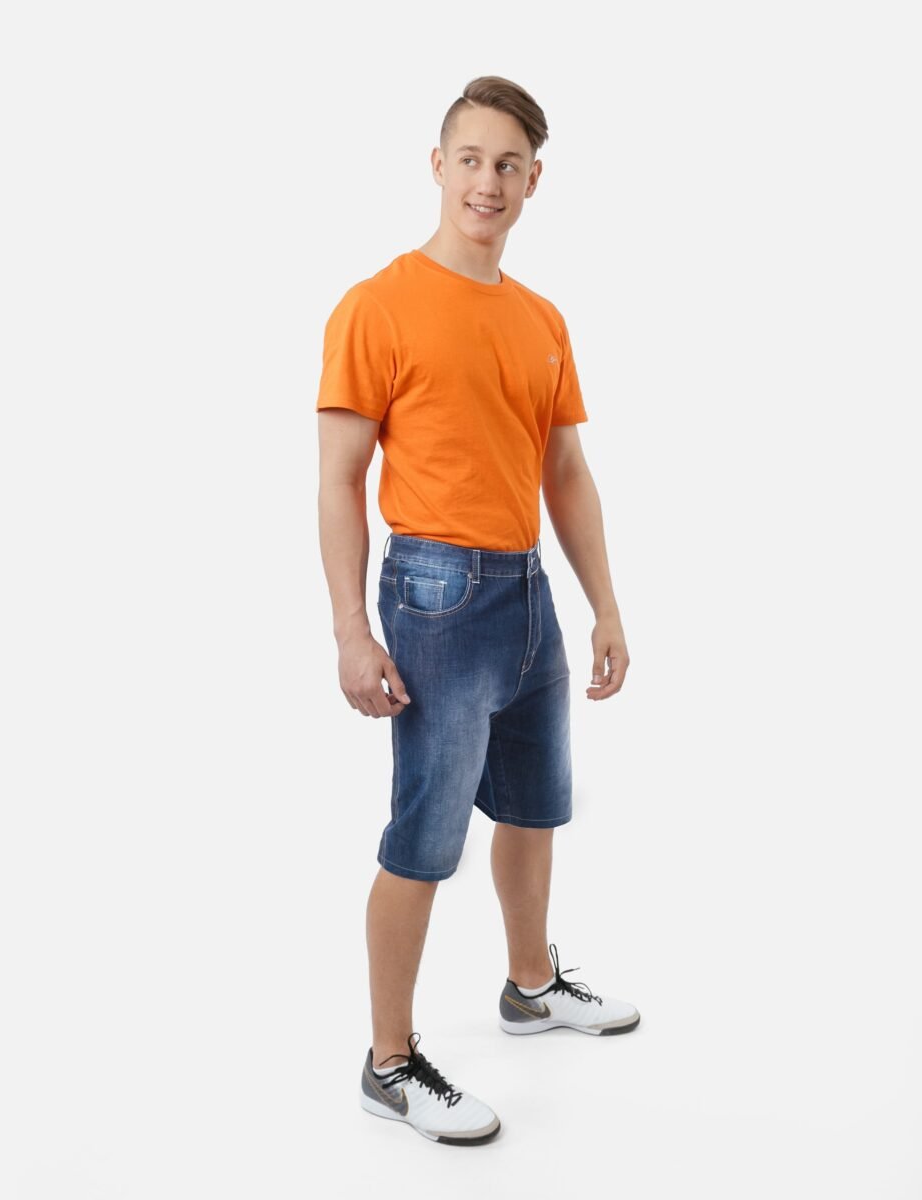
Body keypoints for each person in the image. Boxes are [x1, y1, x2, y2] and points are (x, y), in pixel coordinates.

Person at [316, 76, 639, 1146]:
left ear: (533, 180)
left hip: (527, 592)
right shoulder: (378, 304)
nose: (486, 182)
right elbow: (337, 478)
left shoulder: (541, 318)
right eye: (470, 159)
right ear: (437, 165)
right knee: (423, 838)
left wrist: (604, 606)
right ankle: (389, 1062)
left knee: (536, 809)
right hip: (435, 596)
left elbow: (566, 472)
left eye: (508, 164)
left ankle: (529, 986)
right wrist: (351, 630)